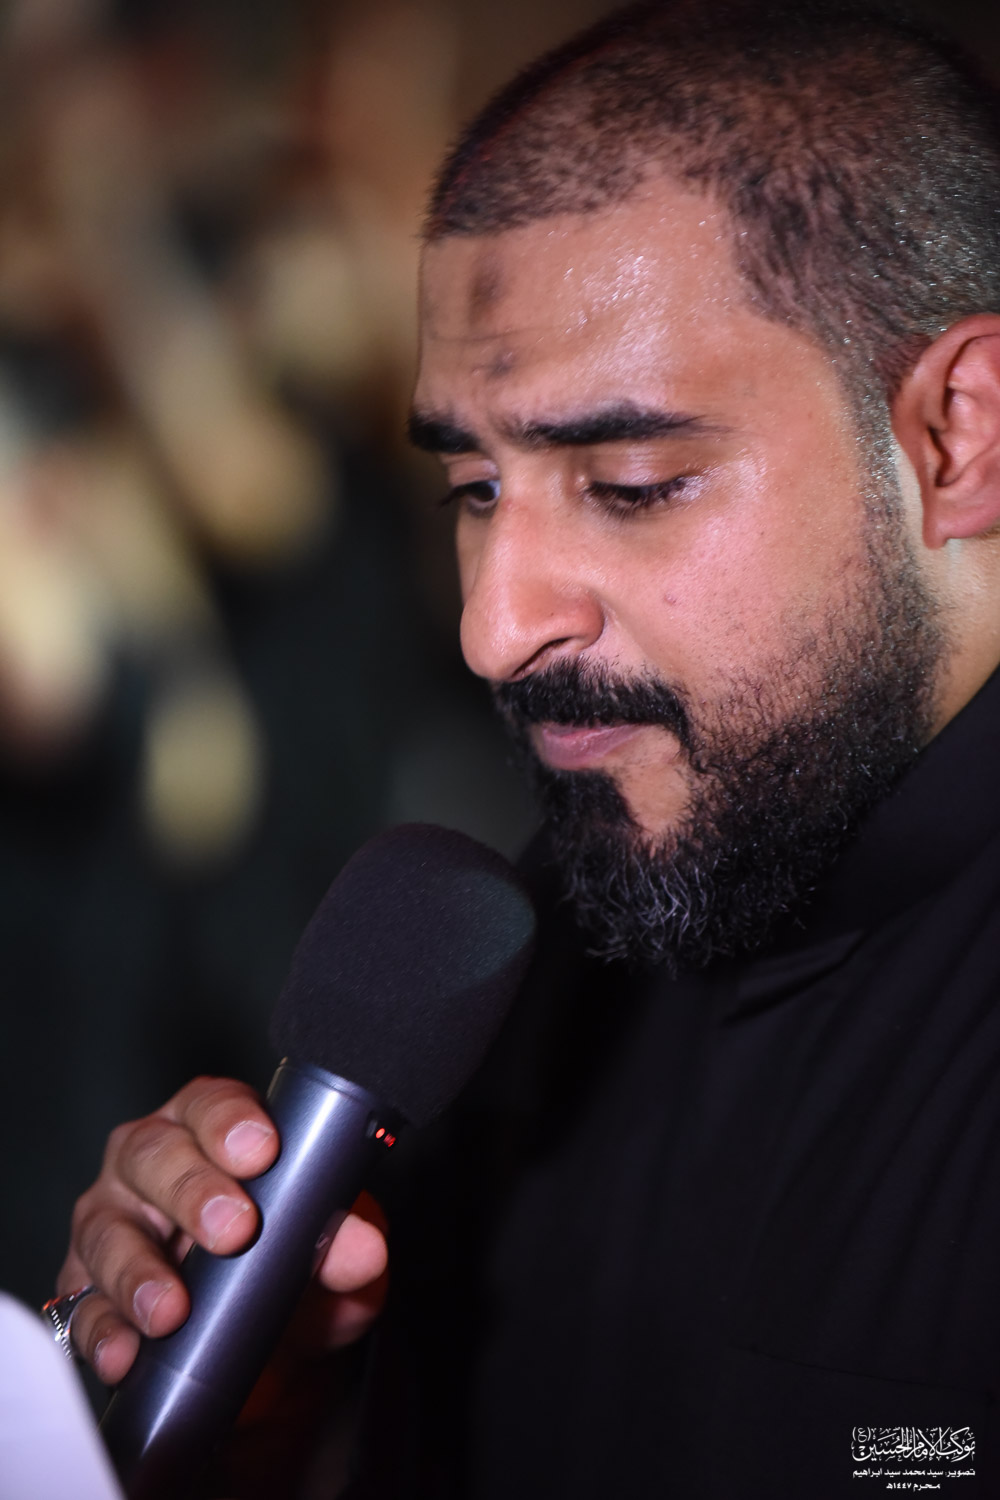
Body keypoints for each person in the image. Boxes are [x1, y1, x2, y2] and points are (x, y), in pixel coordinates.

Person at [49, 0, 1000, 1494]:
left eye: (629, 482)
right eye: (475, 490)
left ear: (959, 435)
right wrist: (282, 1429)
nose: (495, 630)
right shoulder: (533, 961)